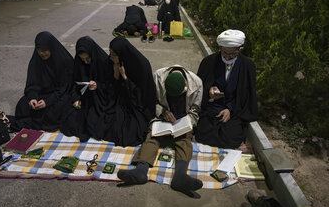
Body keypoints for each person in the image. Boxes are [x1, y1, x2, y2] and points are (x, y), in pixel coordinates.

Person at [117, 65, 204, 197]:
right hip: (162, 118)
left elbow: (195, 111)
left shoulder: (196, 83)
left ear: (186, 84)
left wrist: (187, 123)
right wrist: (162, 112)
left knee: (185, 140)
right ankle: (140, 171)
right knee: (152, 135)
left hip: (182, 119)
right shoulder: (158, 76)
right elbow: (152, 102)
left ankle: (180, 177)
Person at [195, 29, 258, 149]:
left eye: (232, 54)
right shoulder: (209, 62)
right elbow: (199, 86)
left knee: (231, 136)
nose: (228, 57)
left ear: (240, 49)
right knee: (203, 133)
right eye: (224, 53)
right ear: (220, 48)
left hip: (235, 110)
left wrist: (230, 109)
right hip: (212, 107)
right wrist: (209, 92)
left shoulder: (248, 66)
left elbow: (246, 96)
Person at [91, 37, 156, 147]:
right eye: (110, 53)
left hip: (137, 105)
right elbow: (109, 88)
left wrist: (125, 77)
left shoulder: (141, 65)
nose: (110, 57)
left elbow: (141, 95)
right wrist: (116, 77)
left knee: (130, 129)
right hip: (119, 99)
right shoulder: (112, 63)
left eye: (114, 54)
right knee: (101, 121)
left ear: (122, 54)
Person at [12, 32, 74, 132]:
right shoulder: (36, 61)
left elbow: (65, 87)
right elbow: (32, 84)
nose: (42, 53)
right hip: (42, 94)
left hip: (59, 94)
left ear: (51, 48)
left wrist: (48, 101)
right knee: (23, 105)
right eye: (39, 50)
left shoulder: (64, 61)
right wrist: (33, 97)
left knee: (58, 109)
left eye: (45, 50)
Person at [61, 36, 110, 142]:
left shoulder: (103, 61)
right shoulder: (79, 64)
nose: (86, 62)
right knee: (69, 119)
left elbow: (111, 86)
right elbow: (75, 84)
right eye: (83, 59)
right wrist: (76, 99)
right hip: (84, 100)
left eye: (88, 58)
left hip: (100, 100)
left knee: (96, 124)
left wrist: (98, 85)